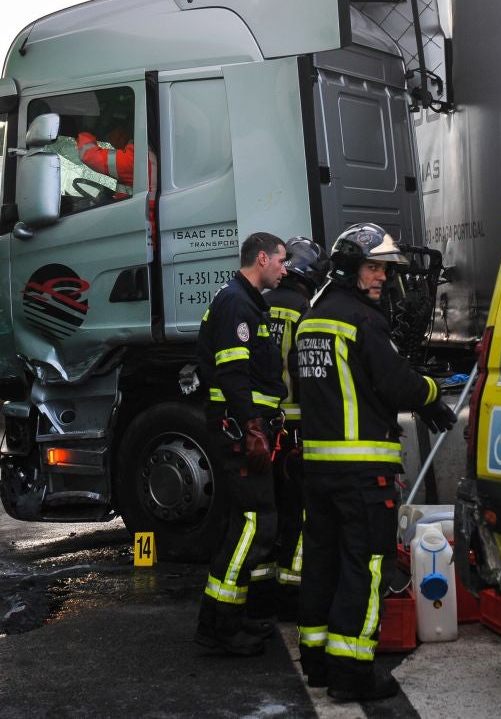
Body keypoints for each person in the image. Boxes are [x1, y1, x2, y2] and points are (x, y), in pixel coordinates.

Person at [295, 223, 456, 701]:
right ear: (348, 269)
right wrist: (429, 394)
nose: (382, 277)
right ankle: (352, 675)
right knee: (364, 567)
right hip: (362, 473)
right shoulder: (363, 320)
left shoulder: (312, 321)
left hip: (319, 471)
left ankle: (319, 664)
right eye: (373, 268)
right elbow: (395, 382)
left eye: (384, 269)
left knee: (321, 565)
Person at [194, 231, 289, 657]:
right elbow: (233, 375)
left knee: (245, 523)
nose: (285, 270)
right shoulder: (237, 303)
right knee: (254, 522)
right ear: (263, 258)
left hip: (244, 429)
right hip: (239, 432)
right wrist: (251, 427)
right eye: (282, 261)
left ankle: (227, 618)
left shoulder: (246, 302)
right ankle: (222, 627)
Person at [261, 236, 328, 622]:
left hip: (262, 426)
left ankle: (263, 587)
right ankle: (293, 588)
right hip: (297, 428)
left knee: (265, 509)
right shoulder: (306, 311)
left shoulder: (258, 304)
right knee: (299, 512)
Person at [76, 111, 134, 200]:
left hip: (133, 211)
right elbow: (123, 142)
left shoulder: (136, 160)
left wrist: (87, 128)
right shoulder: (143, 153)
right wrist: (105, 126)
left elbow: (90, 156)